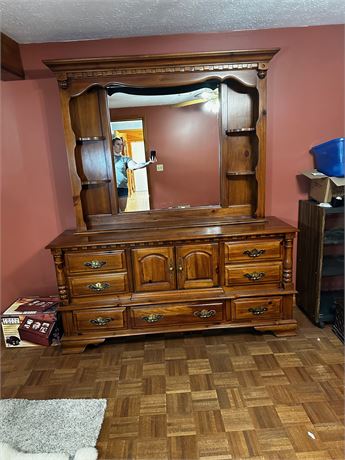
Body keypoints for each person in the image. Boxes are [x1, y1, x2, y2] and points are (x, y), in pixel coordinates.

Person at [112, 137, 156, 211]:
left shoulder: (125, 159)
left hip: (122, 188)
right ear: (113, 146)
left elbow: (135, 166)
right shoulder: (107, 158)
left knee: (121, 211)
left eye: (121, 144)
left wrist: (148, 163)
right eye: (118, 144)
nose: (120, 146)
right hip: (110, 188)